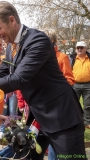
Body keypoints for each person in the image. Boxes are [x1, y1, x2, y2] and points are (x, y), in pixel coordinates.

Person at [0, 1, 86, 160]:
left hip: (61, 117)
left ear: (12, 20)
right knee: (25, 156)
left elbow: (18, 79)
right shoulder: (10, 47)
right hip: (38, 118)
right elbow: (1, 73)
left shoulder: (38, 40)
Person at [43, 29, 75, 160]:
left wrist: (53, 90)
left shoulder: (62, 57)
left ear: (51, 41)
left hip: (57, 104)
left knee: (55, 136)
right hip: (42, 104)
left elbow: (70, 80)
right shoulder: (39, 57)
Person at [69, 41, 90, 129]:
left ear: (86, 49)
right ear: (76, 49)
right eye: (78, 48)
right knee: (74, 104)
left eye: (81, 48)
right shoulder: (71, 59)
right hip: (75, 85)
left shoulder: (89, 58)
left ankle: (87, 122)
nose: (79, 49)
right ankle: (74, 122)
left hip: (88, 85)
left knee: (88, 105)